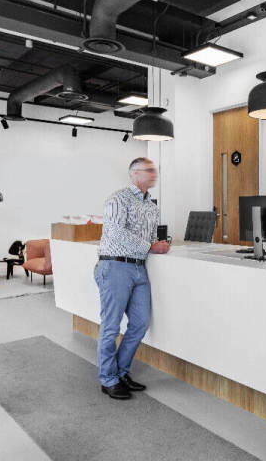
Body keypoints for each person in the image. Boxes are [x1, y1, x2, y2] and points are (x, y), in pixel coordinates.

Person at [94, 157, 170, 400]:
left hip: (139, 268)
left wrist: (160, 244)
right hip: (115, 266)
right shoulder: (117, 199)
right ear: (135, 173)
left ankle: (121, 372)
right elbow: (116, 232)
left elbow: (151, 237)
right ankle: (108, 379)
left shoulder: (152, 207)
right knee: (111, 326)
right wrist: (150, 246)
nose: (154, 174)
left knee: (140, 323)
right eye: (149, 170)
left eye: (154, 170)